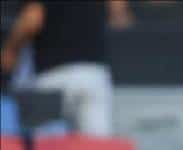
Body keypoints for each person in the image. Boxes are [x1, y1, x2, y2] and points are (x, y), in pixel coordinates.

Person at [0, 0, 119, 135]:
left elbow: (32, 18)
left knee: (47, 146)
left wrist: (11, 49)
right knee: (97, 147)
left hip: (54, 75)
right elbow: (117, 13)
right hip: (93, 74)